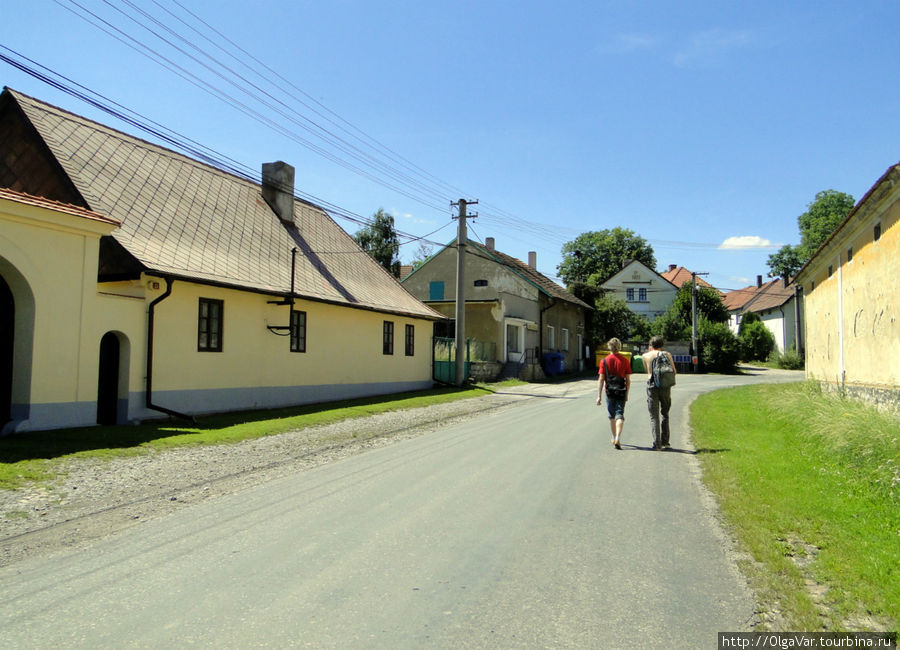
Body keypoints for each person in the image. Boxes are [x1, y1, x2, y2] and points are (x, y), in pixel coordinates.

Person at [641, 336, 677, 450]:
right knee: (665, 414)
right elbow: (674, 372)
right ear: (662, 345)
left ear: (651, 345)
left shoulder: (645, 356)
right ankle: (666, 442)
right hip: (665, 387)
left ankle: (657, 444)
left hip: (652, 387)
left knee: (654, 416)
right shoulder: (667, 355)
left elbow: (647, 372)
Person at [597, 337, 631, 449]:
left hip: (609, 391)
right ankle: (618, 438)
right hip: (621, 391)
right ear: (619, 347)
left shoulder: (604, 361)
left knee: (612, 416)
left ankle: (614, 436)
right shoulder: (625, 360)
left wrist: (599, 396)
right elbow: (628, 380)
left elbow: (601, 379)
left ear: (609, 347)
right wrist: (627, 394)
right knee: (620, 414)